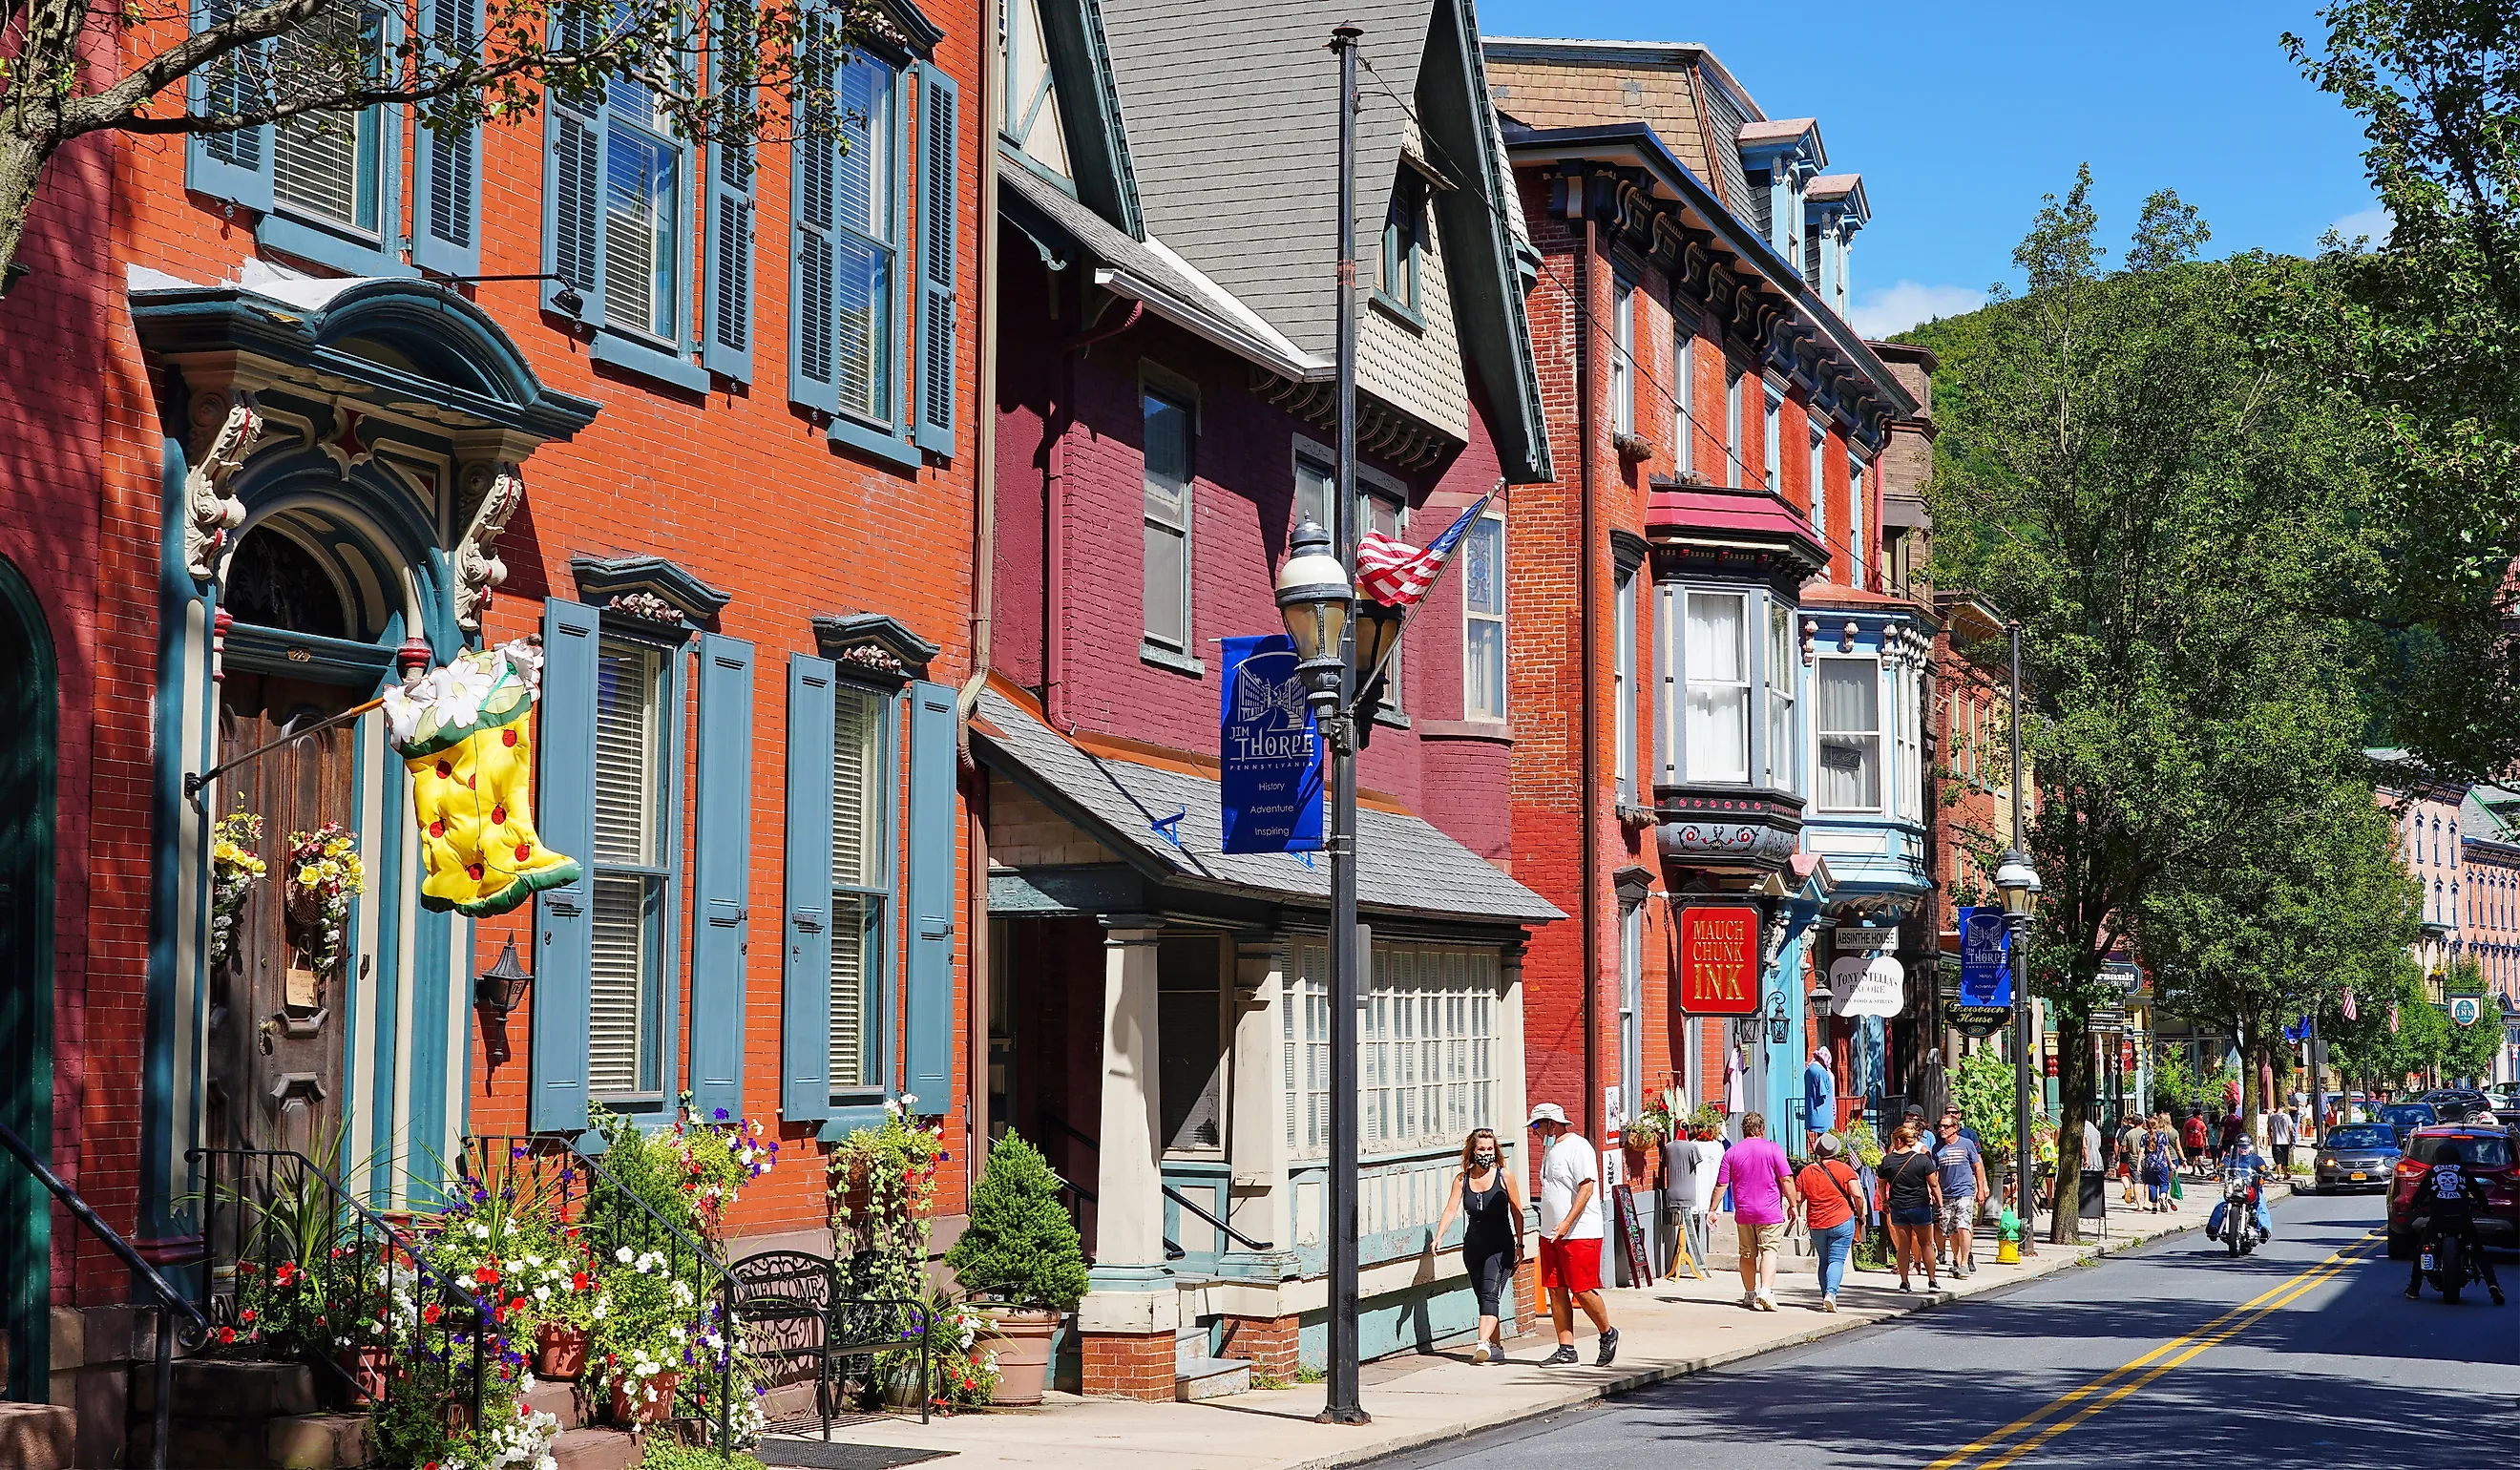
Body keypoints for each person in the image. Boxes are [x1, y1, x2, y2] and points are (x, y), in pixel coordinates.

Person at [1525, 1103, 1619, 1365]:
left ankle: (1607, 1332)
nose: (1534, 1132)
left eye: (1536, 1126)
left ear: (1551, 1124)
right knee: (1555, 1289)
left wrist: (1567, 1223)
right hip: (1550, 1232)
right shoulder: (1550, 1148)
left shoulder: (1579, 1147)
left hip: (1579, 1232)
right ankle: (1566, 1348)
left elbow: (1586, 1188)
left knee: (1582, 1288)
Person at [1431, 1127, 1526, 1364]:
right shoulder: (1462, 1179)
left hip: (1500, 1245)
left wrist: (1520, 1243)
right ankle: (1495, 1346)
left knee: (1489, 1294)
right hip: (1473, 1247)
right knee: (1483, 1297)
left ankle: (1481, 1344)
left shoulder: (1504, 1176)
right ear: (1472, 1151)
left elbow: (1517, 1210)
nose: (1486, 1153)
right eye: (1481, 1149)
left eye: (1490, 1148)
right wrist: (1439, 1236)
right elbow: (1451, 1209)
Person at [1713, 1111, 1799, 1312]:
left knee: (1747, 1254)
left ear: (1743, 1131)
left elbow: (1721, 1184)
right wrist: (1793, 1205)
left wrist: (1712, 1209)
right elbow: (1786, 1179)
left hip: (1744, 1212)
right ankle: (1765, 1291)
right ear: (1762, 1129)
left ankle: (1750, 1293)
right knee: (1769, 1250)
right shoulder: (1773, 1149)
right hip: (1769, 1211)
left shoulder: (1732, 1153)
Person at [2403, 1142, 2506, 1304]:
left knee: (2423, 1250)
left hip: (2438, 1220)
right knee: (2478, 1251)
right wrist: (2486, 1208)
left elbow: (2420, 1194)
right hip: (2462, 1219)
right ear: (2456, 1158)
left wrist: (2415, 1205)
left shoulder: (2433, 1173)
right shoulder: (2463, 1172)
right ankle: (2493, 1285)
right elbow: (2477, 1192)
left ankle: (2414, 1288)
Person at [1796, 1133, 1866, 1312]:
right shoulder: (1845, 1170)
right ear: (1836, 1151)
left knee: (1824, 1260)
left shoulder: (1806, 1172)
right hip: (1842, 1220)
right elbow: (1857, 1195)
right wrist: (1861, 1213)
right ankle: (1831, 1294)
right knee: (1837, 1260)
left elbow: (1798, 1198)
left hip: (1817, 1223)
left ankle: (1824, 1297)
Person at [1875, 1122, 1942, 1291]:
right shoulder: (1921, 1160)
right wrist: (1940, 1204)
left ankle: (1904, 1282)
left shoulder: (1888, 1161)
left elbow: (1881, 1185)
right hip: (1920, 1206)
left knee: (1903, 1246)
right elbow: (1933, 1185)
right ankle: (1932, 1280)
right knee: (1926, 1244)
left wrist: (1884, 1201)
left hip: (1898, 1206)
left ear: (1898, 1141)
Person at [1660, 1121, 1721, 1283]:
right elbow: (1697, 1165)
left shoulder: (1668, 1147)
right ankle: (1685, 1257)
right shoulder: (1692, 1148)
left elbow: (1663, 1165)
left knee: (1678, 1226)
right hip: (1688, 1192)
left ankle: (1678, 1258)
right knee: (1687, 1227)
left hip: (1671, 1191)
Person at [1932, 1109, 1989, 1276]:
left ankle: (1965, 1262)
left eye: (1945, 1126)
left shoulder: (1966, 1144)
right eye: (1940, 1126)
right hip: (1946, 1194)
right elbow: (1934, 1172)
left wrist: (1980, 1188)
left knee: (1964, 1226)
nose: (1942, 1129)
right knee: (1952, 1231)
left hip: (1964, 1191)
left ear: (1955, 1128)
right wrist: (1933, 1192)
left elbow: (1977, 1166)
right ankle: (1957, 1261)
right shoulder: (1937, 1147)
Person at [2209, 1132, 2275, 1243]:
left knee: (2261, 1206)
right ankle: (2213, 1228)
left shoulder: (2256, 1159)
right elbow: (2223, 1165)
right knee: (2220, 1204)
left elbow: (2263, 1168)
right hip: (2233, 1189)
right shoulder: (2231, 1158)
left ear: (2250, 1147)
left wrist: (2266, 1173)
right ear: (2236, 1147)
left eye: (2246, 1147)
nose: (2243, 1149)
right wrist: (2217, 1171)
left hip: (2251, 1190)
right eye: (2240, 1147)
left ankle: (2265, 1229)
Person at [1804, 1047, 1837, 1154]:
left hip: (1812, 1111)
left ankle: (1819, 1157)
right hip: (1822, 1113)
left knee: (1819, 1140)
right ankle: (1823, 1158)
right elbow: (1823, 1093)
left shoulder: (1809, 1070)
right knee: (1825, 1141)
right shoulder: (1821, 1072)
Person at [2142, 1116, 2176, 1212]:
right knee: (2164, 1183)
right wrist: (2170, 1164)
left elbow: (2141, 1151)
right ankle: (2162, 1196)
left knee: (2152, 1185)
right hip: (2162, 1163)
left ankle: (2154, 1206)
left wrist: (2139, 1164)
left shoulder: (2145, 1136)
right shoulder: (2162, 1135)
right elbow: (2166, 1150)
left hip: (2149, 1164)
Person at [2266, 1104, 2296, 1173]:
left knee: (2277, 1158)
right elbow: (2291, 1130)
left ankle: (2279, 1174)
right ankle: (2285, 1173)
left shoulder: (2272, 1116)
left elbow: (2269, 1129)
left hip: (2275, 1141)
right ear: (2284, 1108)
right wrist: (2291, 1140)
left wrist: (2271, 1138)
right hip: (2285, 1141)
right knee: (2284, 1157)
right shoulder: (2287, 1117)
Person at [2181, 1110, 2208, 1176]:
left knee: (2192, 1157)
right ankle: (2200, 1164)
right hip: (2199, 1142)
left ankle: (2194, 1171)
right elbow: (2204, 1134)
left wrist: (2182, 1142)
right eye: (2201, 1115)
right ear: (2198, 1115)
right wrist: (2206, 1142)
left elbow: (2184, 1133)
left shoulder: (2188, 1123)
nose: (2202, 1116)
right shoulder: (2201, 1123)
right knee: (2200, 1155)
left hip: (2190, 1142)